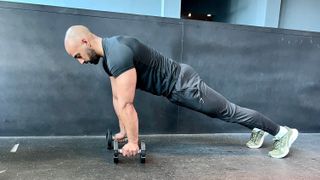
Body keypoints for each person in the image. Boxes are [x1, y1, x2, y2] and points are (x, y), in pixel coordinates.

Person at [64, 25, 298, 159]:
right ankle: (258, 128)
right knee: (228, 112)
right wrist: (123, 131)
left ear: (85, 41)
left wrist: (133, 142)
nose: (80, 62)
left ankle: (281, 132)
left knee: (228, 111)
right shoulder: (108, 58)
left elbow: (127, 104)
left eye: (77, 56)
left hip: (184, 85)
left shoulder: (118, 53)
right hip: (177, 87)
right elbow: (117, 97)